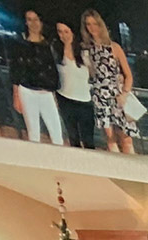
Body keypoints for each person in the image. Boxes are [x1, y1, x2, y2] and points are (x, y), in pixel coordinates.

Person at [12, 11, 66, 144]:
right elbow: (16, 70)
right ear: (26, 22)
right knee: (33, 133)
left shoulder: (49, 45)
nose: (33, 23)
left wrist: (54, 94)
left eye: (36, 19)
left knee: (56, 133)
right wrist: (16, 95)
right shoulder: (20, 44)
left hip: (46, 93)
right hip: (27, 92)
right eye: (29, 20)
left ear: (41, 21)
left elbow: (53, 71)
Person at [53, 16, 93, 148]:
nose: (63, 35)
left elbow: (95, 73)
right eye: (60, 31)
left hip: (84, 101)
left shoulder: (84, 51)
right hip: (65, 99)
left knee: (88, 139)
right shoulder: (56, 51)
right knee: (73, 138)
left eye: (66, 31)